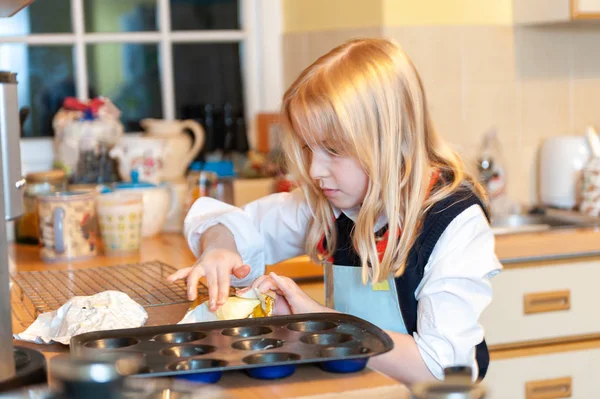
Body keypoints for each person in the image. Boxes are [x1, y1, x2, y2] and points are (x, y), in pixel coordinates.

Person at [168, 38, 502, 385]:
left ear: (387, 140)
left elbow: (442, 370)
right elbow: (235, 225)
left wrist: (319, 321)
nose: (315, 171)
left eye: (332, 150)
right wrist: (220, 247)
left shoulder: (452, 221)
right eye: (308, 149)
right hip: (358, 387)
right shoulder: (333, 201)